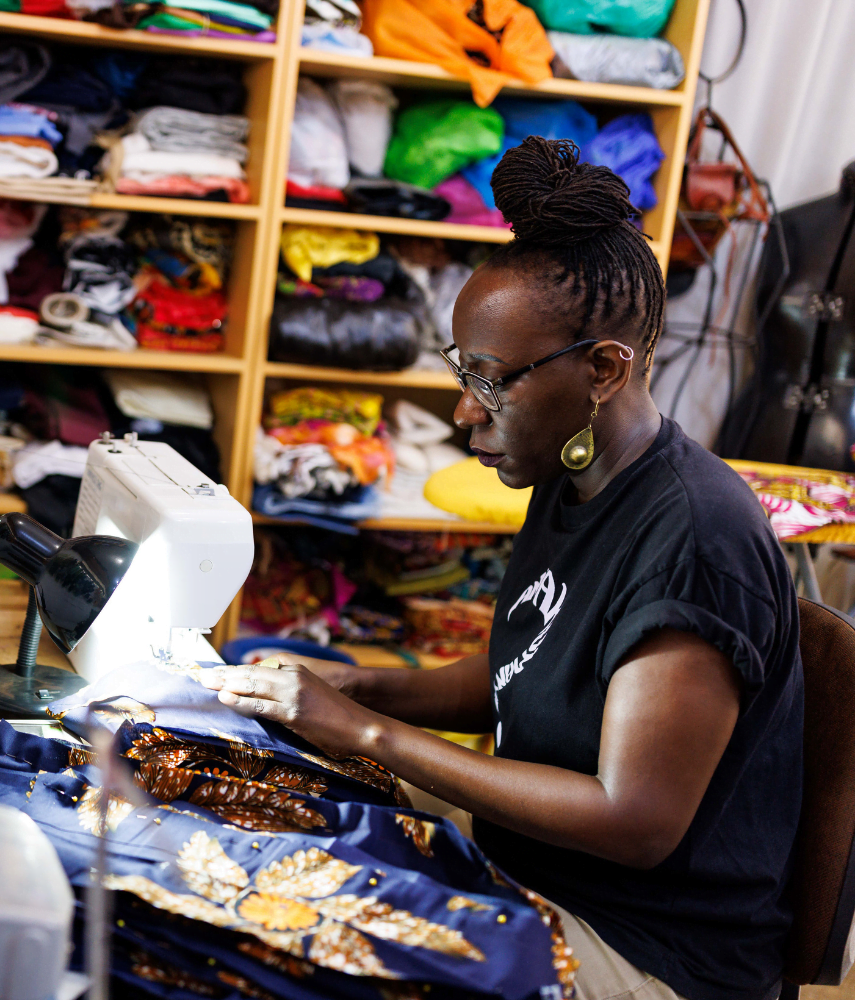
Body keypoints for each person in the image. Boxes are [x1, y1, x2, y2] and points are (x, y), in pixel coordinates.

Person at [201, 137, 803, 1000]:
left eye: (490, 382)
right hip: (535, 871)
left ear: (602, 369)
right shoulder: (573, 473)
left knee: (274, 946)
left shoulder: (695, 540)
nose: (461, 411)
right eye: (464, 374)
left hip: (648, 951)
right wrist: (349, 687)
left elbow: (634, 821)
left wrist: (367, 732)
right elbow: (524, 673)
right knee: (246, 809)